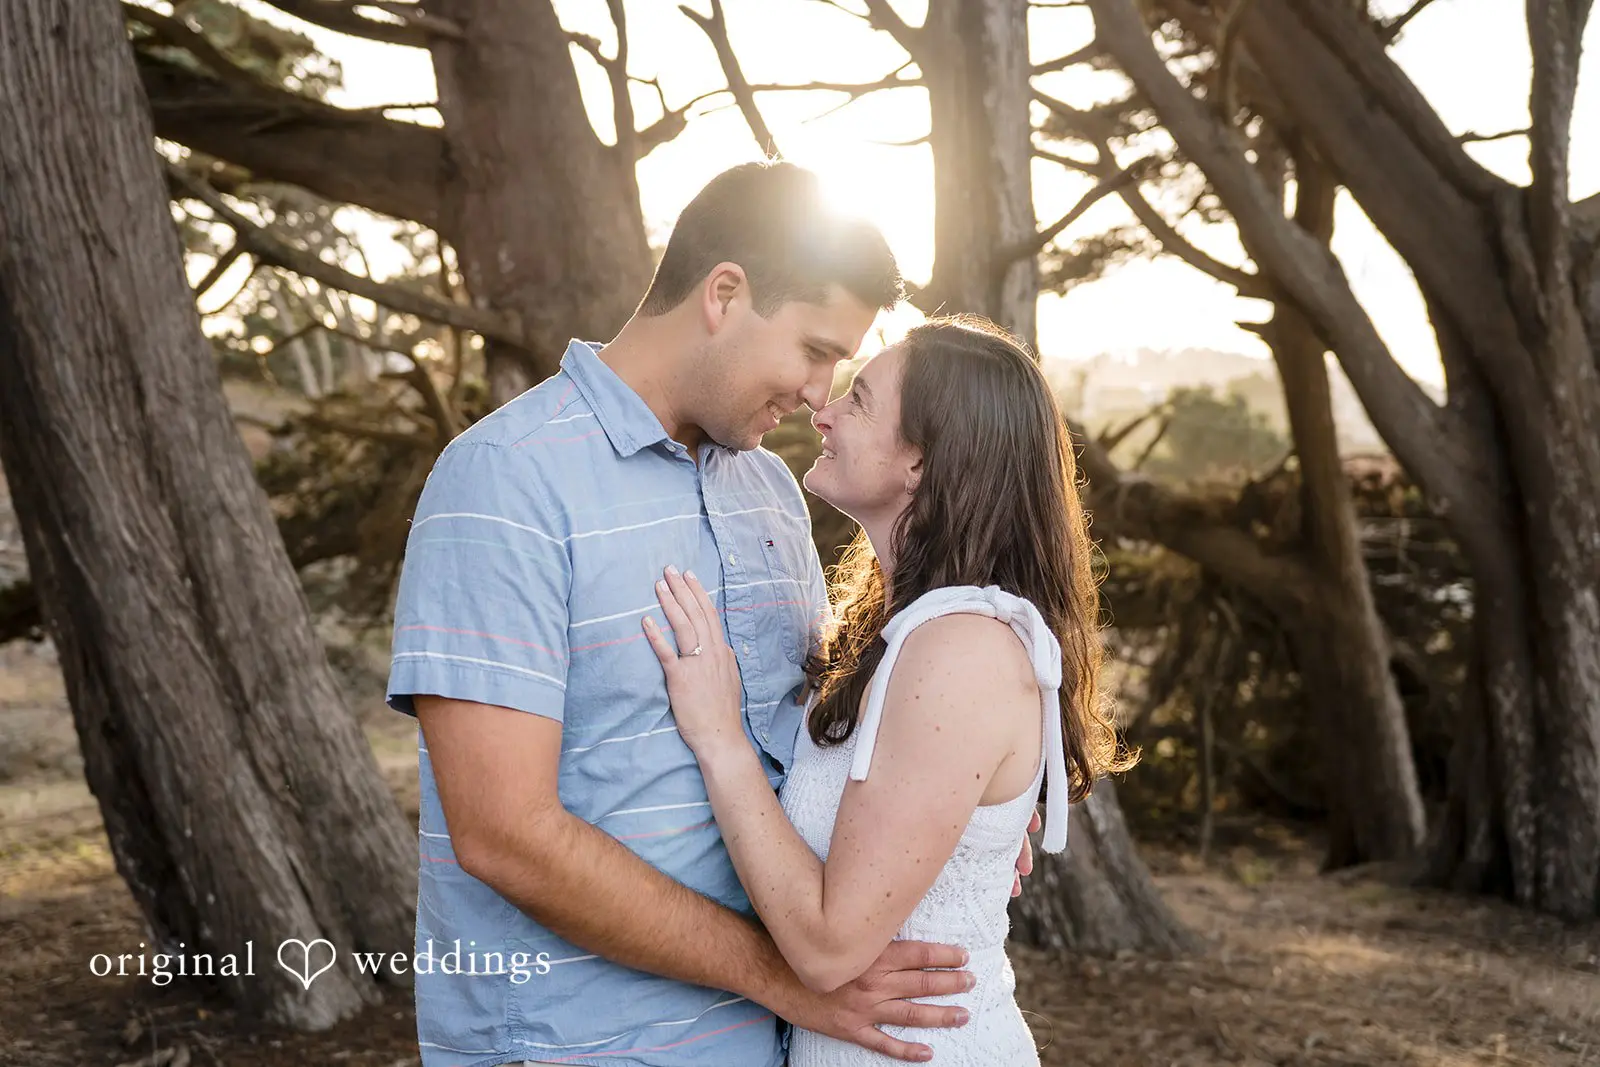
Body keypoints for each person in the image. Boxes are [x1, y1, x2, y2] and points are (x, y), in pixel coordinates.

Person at [386, 162, 1034, 1067]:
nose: (819, 393)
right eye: (814, 350)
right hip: (572, 1044)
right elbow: (504, 836)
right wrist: (778, 972)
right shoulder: (505, 480)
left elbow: (809, 737)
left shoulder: (768, 489)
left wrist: (956, 814)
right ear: (725, 294)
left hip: (768, 1046)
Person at [643, 316, 1134, 1066]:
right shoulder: (911, 631)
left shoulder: (961, 650)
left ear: (921, 462)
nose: (825, 410)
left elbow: (828, 947)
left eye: (861, 399)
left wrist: (720, 739)